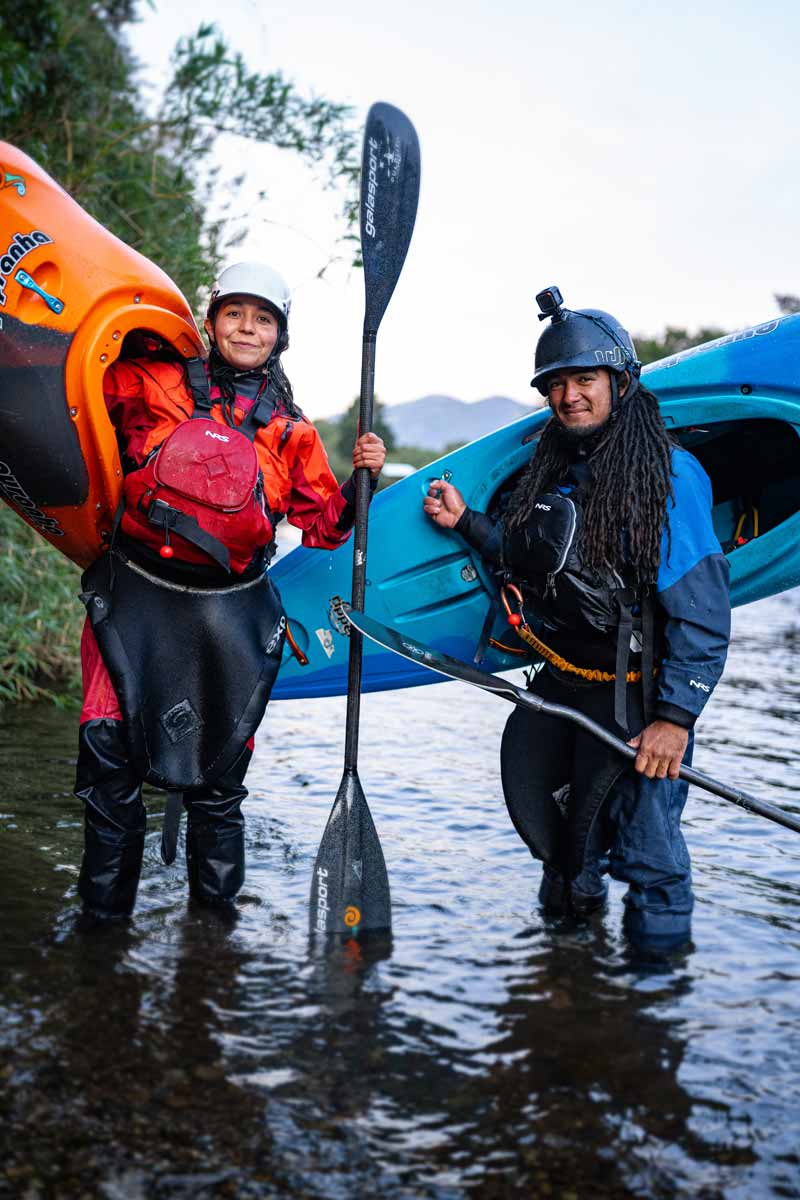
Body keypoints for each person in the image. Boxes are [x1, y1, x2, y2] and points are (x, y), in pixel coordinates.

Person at [423, 287, 730, 952]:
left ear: (620, 381)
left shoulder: (669, 477)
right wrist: (466, 523)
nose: (569, 397)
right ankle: (568, 984)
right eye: (556, 384)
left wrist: (674, 721)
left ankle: (653, 1004)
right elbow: (532, 554)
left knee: (650, 861)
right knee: (566, 855)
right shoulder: (554, 472)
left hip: (637, 700)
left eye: (584, 379)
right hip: (563, 690)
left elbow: (702, 615)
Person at [76, 260, 385, 919]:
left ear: (280, 335)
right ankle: (101, 931)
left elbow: (324, 529)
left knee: (218, 782)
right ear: (211, 322)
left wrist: (361, 486)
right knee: (108, 759)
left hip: (228, 612)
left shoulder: (292, 434)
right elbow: (79, 385)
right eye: (235, 314)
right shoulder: (154, 381)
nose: (248, 328)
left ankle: (212, 943)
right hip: (134, 594)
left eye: (263, 318)